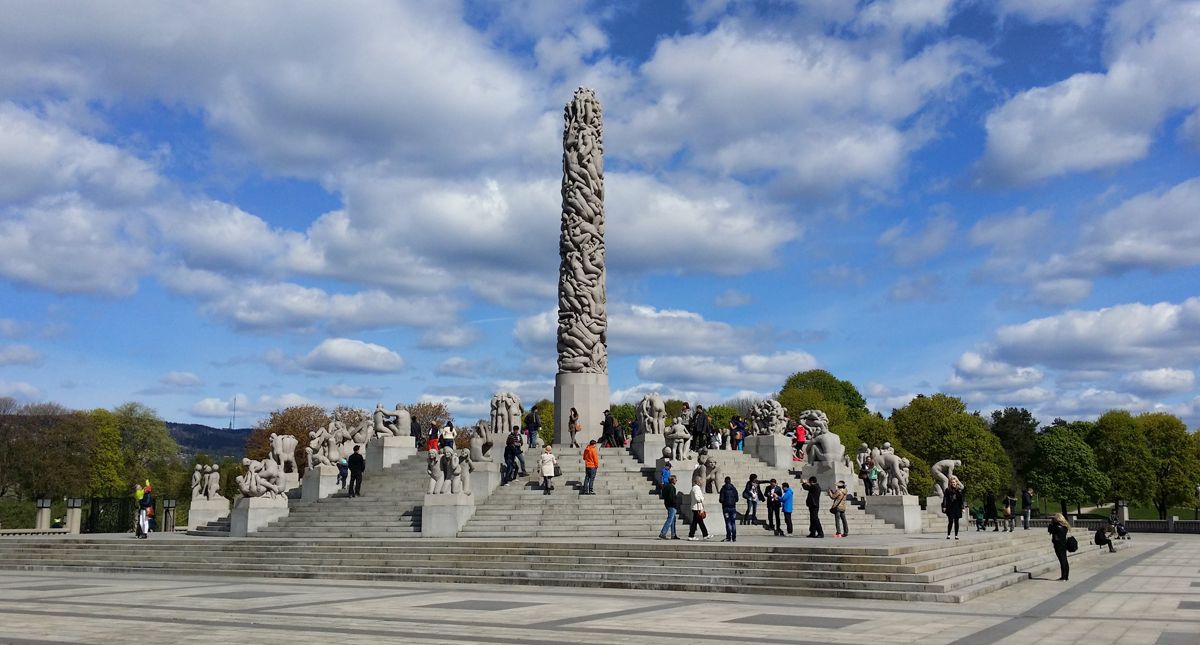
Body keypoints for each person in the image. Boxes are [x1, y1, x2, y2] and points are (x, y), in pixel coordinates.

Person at [1049, 513, 1071, 581]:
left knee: (1062, 561)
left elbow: (1050, 530)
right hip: (1064, 544)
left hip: (1058, 544)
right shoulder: (1064, 526)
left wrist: (1051, 524)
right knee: (1064, 560)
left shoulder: (1056, 526)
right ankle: (1066, 576)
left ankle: (1063, 577)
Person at [942, 475, 964, 540]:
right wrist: (944, 506)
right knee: (950, 521)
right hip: (950, 507)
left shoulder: (959, 490)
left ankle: (956, 535)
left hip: (957, 507)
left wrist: (962, 507)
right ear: (950, 483)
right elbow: (945, 498)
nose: (953, 483)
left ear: (956, 483)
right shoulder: (947, 490)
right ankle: (948, 534)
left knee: (956, 521)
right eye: (952, 482)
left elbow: (961, 500)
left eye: (954, 482)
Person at [659, 475, 680, 540]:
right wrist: (675, 503)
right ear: (672, 480)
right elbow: (672, 498)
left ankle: (673, 534)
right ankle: (663, 533)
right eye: (675, 479)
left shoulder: (666, 487)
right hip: (671, 505)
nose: (676, 480)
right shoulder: (671, 487)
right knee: (670, 519)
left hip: (668, 504)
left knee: (673, 520)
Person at [719, 476, 739, 542]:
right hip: (733, 507)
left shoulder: (723, 489)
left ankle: (728, 537)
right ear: (730, 481)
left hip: (726, 508)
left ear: (725, 481)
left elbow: (721, 499)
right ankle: (734, 537)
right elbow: (737, 499)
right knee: (733, 522)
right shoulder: (734, 489)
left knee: (728, 522)